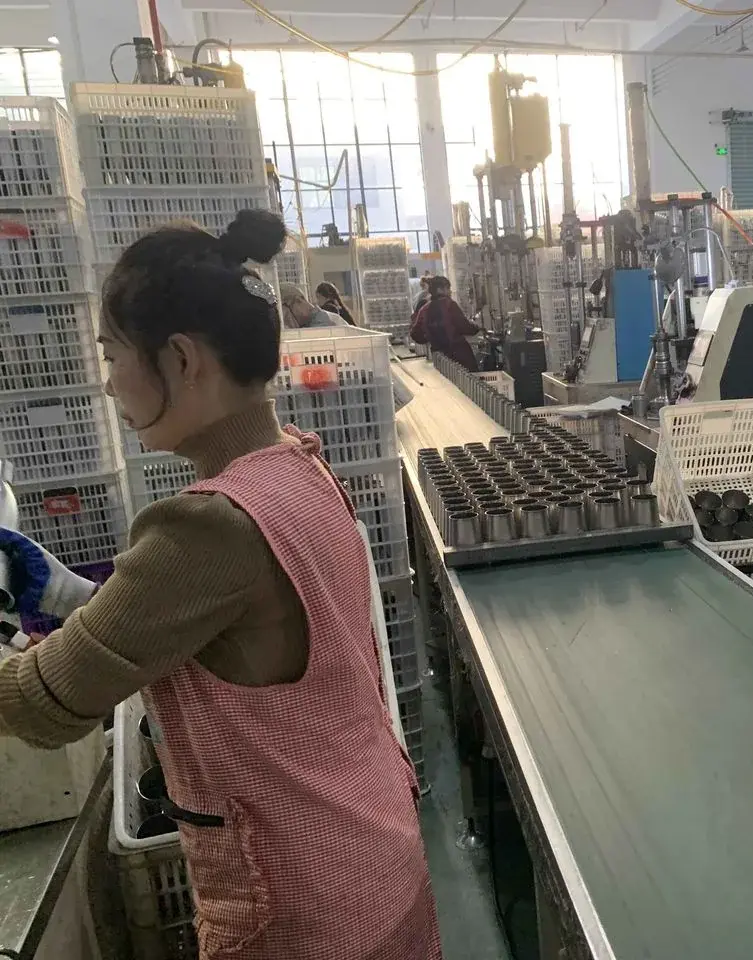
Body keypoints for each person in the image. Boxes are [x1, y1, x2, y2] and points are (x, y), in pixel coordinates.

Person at [0, 210, 441, 960]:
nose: (109, 384)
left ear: (178, 359)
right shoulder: (301, 468)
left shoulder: (205, 528)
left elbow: (48, 704)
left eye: (113, 356)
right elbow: (224, 630)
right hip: (378, 860)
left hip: (297, 912)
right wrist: (83, 602)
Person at [411, 275, 481, 372]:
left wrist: (430, 336)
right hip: (459, 355)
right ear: (440, 289)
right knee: (469, 383)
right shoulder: (449, 305)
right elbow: (465, 327)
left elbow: (415, 334)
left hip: (439, 358)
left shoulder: (424, 309)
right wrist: (476, 327)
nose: (450, 291)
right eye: (448, 288)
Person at [280, 282, 347, 329]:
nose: (288, 324)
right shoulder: (315, 321)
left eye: (287, 317)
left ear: (299, 301)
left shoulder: (322, 323)